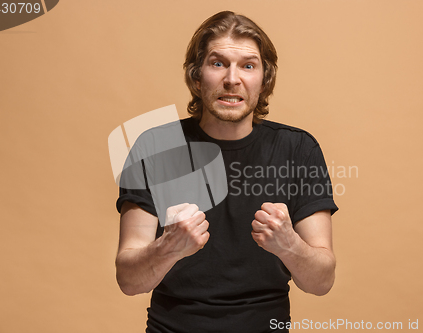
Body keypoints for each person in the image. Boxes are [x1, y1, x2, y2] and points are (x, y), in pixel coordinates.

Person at [115, 11, 338, 333]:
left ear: (265, 80)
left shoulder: (297, 149)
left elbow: (321, 281)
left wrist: (288, 243)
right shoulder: (155, 146)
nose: (232, 79)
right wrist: (168, 247)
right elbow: (128, 280)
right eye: (218, 63)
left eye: (248, 66)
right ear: (196, 76)